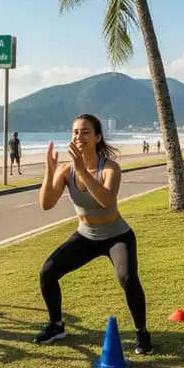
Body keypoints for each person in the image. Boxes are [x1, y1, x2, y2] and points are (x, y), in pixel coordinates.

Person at [36, 113, 152, 354]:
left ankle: (142, 333)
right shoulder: (66, 171)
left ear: (98, 137)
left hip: (117, 236)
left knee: (128, 279)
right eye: (75, 132)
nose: (79, 136)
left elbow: (106, 201)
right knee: (48, 272)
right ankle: (56, 325)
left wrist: (83, 171)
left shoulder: (110, 168)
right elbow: (46, 203)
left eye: (85, 131)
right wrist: (49, 171)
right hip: (86, 237)